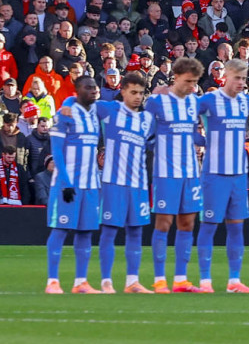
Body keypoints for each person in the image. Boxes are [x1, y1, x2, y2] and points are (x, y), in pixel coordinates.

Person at [144, 57, 205, 293]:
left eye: (195, 82)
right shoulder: (157, 101)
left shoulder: (194, 102)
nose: (192, 86)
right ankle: (159, 279)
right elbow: (146, 135)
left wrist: (209, 140)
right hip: (165, 172)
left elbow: (193, 134)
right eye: (188, 81)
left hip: (191, 172)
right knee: (163, 223)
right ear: (176, 76)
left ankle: (181, 279)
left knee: (187, 223)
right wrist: (163, 147)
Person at [195, 60, 249, 293]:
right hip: (215, 174)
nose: (241, 83)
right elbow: (190, 120)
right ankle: (205, 281)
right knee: (209, 226)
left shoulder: (244, 100)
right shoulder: (209, 100)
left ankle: (234, 281)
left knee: (236, 227)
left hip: (238, 174)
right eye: (237, 78)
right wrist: (201, 141)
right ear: (226, 76)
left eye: (244, 79)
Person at [94, 71, 156, 292]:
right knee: (110, 231)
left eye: (141, 93)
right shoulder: (109, 110)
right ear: (123, 92)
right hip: (114, 182)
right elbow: (82, 99)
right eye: (133, 92)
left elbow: (150, 145)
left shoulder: (147, 119)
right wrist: (69, 104)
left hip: (138, 184)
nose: (138, 97)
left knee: (136, 232)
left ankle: (132, 281)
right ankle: (106, 281)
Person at [43, 85, 100, 293]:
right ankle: (52, 281)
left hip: (91, 184)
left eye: (95, 89)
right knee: (60, 230)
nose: (93, 92)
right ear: (78, 92)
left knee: (86, 232)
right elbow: (56, 150)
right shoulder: (64, 114)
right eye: (88, 88)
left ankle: (81, 282)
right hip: (68, 185)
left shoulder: (95, 111)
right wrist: (66, 183)